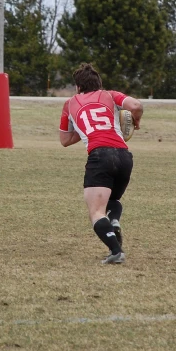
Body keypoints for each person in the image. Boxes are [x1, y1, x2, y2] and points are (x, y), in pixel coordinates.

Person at [59, 63, 143, 264]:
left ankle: (116, 251)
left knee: (96, 212)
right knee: (112, 200)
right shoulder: (109, 95)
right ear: (99, 84)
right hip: (124, 156)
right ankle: (114, 223)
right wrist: (136, 120)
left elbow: (65, 140)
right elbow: (136, 106)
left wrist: (86, 129)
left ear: (78, 87)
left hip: (100, 156)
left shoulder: (70, 104)